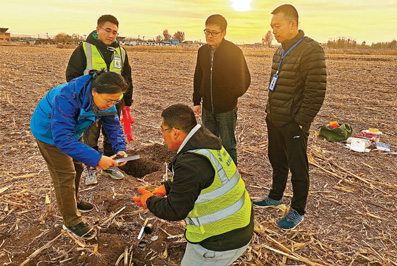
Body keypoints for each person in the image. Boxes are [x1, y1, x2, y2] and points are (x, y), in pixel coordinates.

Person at [133, 104, 253, 266]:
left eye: (163, 131)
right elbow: (199, 178)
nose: (162, 137)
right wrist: (167, 187)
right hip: (238, 225)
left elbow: (175, 210)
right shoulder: (205, 142)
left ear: (175, 132)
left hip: (219, 241)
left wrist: (149, 201)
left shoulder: (191, 162)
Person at [253, 4, 327, 230]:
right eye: (271, 26)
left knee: (298, 166)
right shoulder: (280, 50)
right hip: (274, 118)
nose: (273, 31)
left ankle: (297, 210)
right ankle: (275, 196)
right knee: (276, 158)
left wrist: (300, 122)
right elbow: (275, 86)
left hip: (293, 123)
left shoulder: (311, 50)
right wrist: (269, 112)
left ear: (293, 24)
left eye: (277, 26)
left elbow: (316, 91)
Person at [30, 71, 128, 239]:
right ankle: (71, 221)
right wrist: (97, 159)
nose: (111, 104)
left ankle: (73, 201)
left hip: (72, 132)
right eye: (109, 100)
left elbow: (113, 126)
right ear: (94, 91)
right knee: (65, 175)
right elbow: (62, 139)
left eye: (116, 100)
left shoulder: (107, 100)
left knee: (78, 165)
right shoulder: (67, 97)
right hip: (50, 134)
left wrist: (120, 148)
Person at [66, 14, 133, 185]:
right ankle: (91, 167)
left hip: (113, 103)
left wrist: (127, 102)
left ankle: (110, 166)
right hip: (90, 104)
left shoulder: (121, 52)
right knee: (91, 135)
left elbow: (127, 78)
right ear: (98, 29)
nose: (111, 35)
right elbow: (72, 76)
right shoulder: (84, 49)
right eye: (108, 30)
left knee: (112, 134)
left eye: (115, 32)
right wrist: (87, 95)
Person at [193, 14, 251, 165]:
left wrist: (230, 96)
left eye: (214, 33)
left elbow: (245, 78)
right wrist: (197, 101)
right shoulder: (202, 52)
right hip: (207, 108)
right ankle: (212, 175)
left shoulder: (234, 52)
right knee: (209, 144)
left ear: (224, 32)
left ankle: (231, 179)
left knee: (228, 145)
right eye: (207, 32)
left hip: (226, 108)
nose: (210, 36)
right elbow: (198, 76)